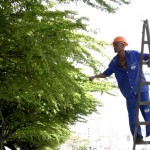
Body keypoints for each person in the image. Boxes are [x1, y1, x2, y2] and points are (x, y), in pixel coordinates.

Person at [89, 36, 150, 143]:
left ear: (123, 45)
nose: (114, 47)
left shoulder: (134, 54)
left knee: (147, 111)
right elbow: (106, 73)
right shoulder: (113, 62)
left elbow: (147, 56)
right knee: (132, 115)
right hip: (129, 93)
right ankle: (138, 137)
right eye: (114, 45)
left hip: (141, 89)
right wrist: (95, 76)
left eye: (116, 45)